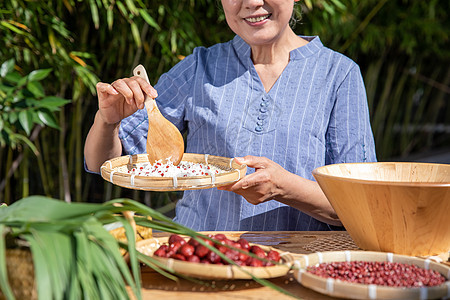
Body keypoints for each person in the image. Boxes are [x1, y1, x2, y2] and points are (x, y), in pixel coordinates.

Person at [84, 0, 377, 231]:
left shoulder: (338, 75)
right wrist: (107, 121)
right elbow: (102, 162)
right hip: (196, 254)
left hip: (295, 265)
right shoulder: (199, 67)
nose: (252, 2)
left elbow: (364, 208)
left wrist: (284, 188)